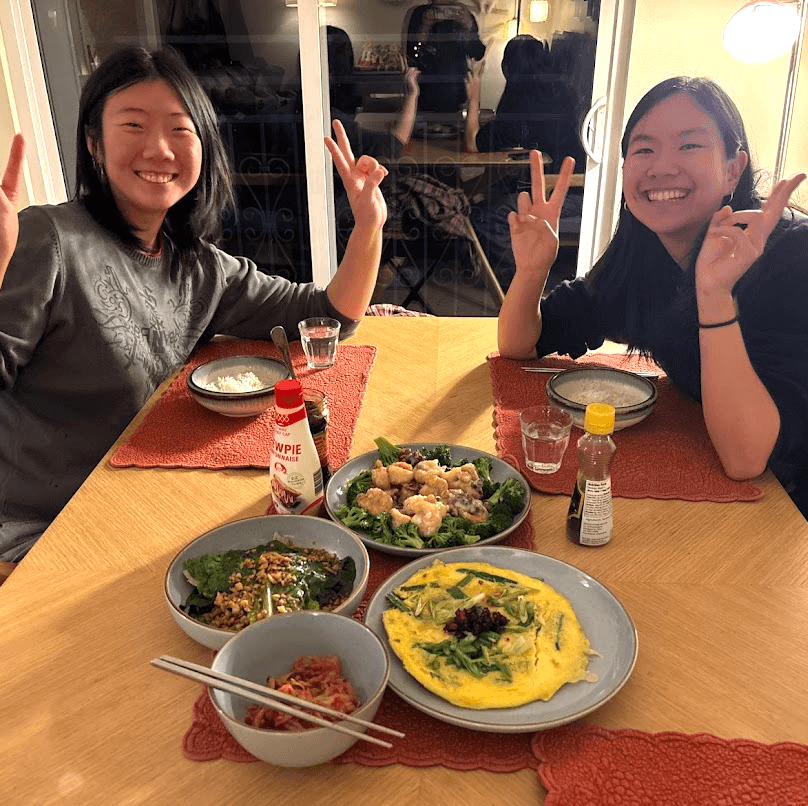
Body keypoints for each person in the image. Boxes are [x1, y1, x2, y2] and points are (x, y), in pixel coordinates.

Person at [0, 45, 389, 564]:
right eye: (133, 126)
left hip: (146, 499)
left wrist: (368, 226)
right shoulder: (48, 239)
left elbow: (327, 316)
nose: (159, 149)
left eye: (180, 130)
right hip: (44, 531)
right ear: (94, 143)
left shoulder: (198, 266)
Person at [498, 76, 808, 519]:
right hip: (702, 472)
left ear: (733, 170)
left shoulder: (792, 256)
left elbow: (749, 459)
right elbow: (519, 345)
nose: (662, 167)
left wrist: (715, 295)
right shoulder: (644, 253)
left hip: (785, 513)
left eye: (689, 146)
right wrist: (531, 271)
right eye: (643, 149)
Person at [294, 27, 420, 163]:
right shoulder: (328, 119)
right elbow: (391, 146)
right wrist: (412, 96)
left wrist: (401, 101)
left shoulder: (304, 101)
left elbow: (365, 103)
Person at [464, 34, 584, 168]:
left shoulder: (520, 104)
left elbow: (473, 145)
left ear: (507, 67)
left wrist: (474, 98)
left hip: (551, 182)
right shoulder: (561, 90)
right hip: (570, 173)